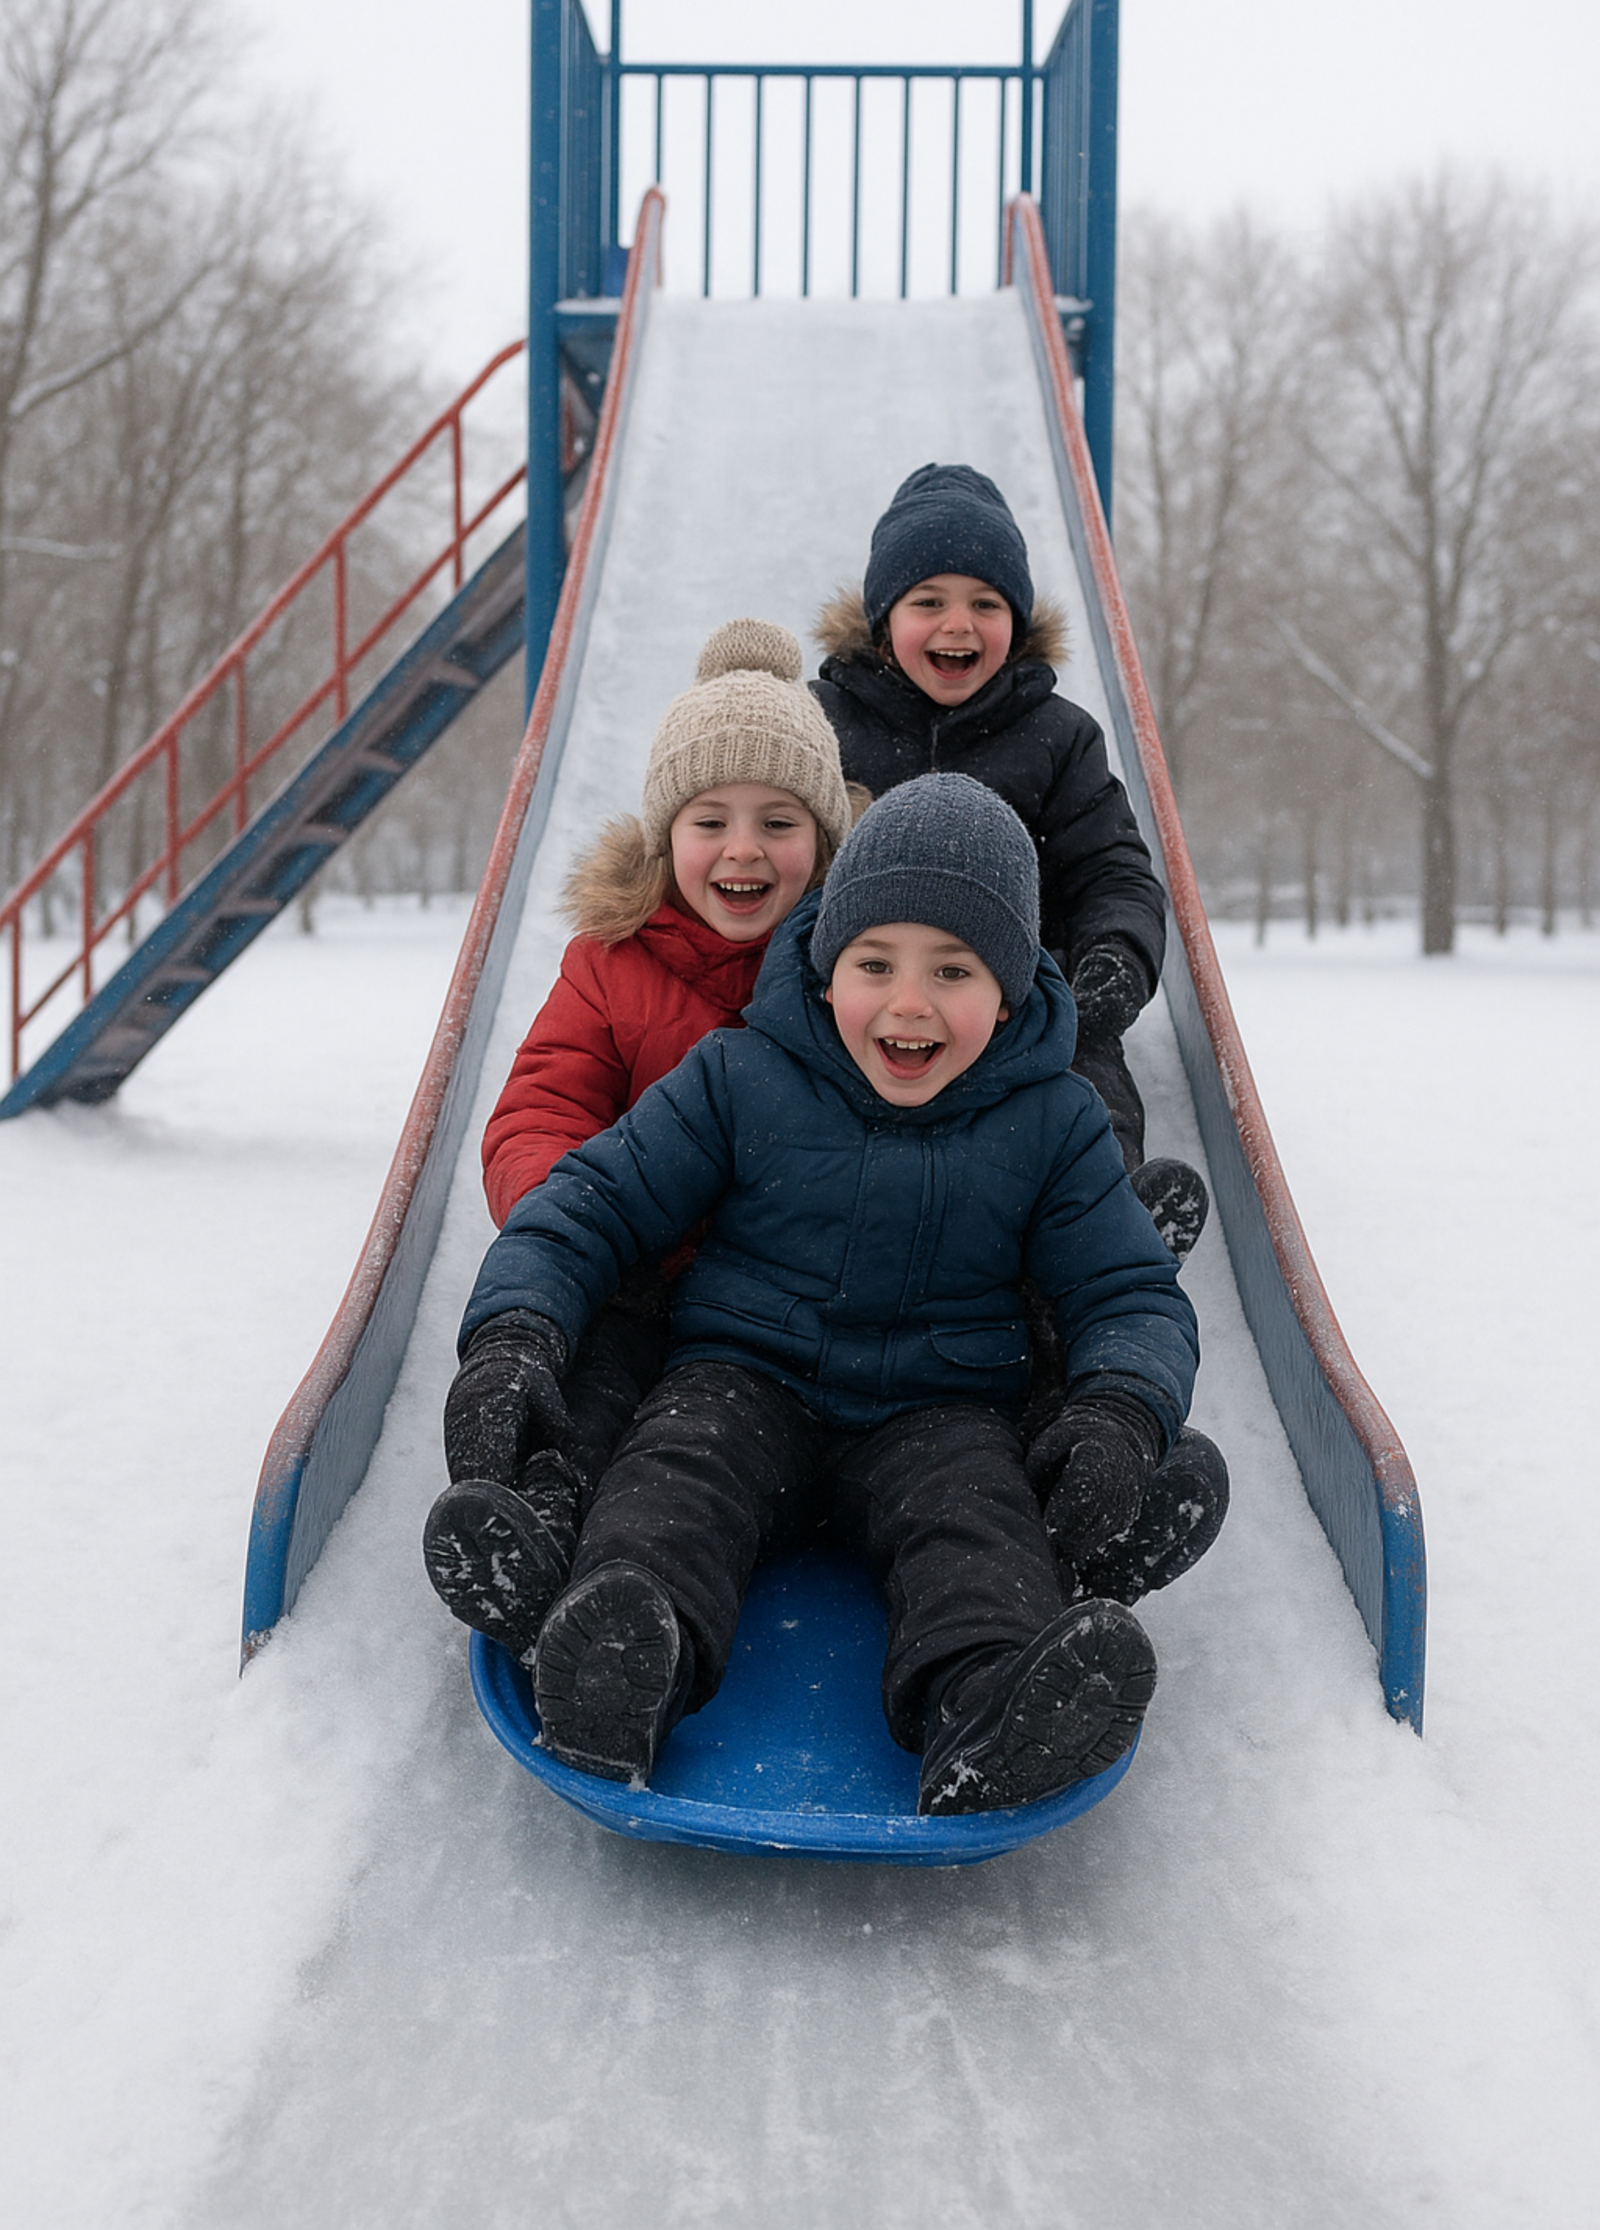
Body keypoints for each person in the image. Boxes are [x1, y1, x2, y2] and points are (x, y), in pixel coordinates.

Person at [451, 775, 1208, 1817]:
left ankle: (987, 1711)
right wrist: (515, 1333)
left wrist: (1122, 1410)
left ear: (1011, 990)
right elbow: (592, 1202)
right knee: (672, 1487)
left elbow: (1129, 1290)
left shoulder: (1057, 1121)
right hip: (742, 1375)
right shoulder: (740, 1073)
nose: (907, 1002)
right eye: (874, 963)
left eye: (952, 969)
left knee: (977, 1533)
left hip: (939, 1408)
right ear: (823, 960)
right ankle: (623, 1669)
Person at [421, 619, 856, 1663]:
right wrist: (580, 1221)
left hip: (787, 1303)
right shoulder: (610, 967)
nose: (743, 849)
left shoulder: (862, 975)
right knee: (597, 1387)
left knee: (700, 1444)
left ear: (830, 843)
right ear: (666, 840)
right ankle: (538, 1528)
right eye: (711, 819)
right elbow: (538, 1112)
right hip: (642, 1272)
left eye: (780, 820)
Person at [811, 461, 1208, 1260]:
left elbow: (1114, 872)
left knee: (1082, 1087)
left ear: (1016, 623)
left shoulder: (1058, 738)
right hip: (860, 992)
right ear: (884, 616)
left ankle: (1105, 1231)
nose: (958, 626)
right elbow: (785, 848)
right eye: (929, 602)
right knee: (800, 1094)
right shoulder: (821, 725)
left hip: (1024, 993)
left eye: (985, 605)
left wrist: (1113, 960)